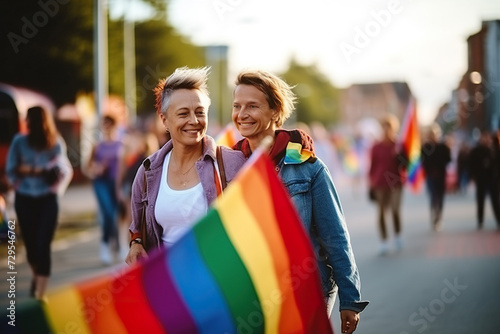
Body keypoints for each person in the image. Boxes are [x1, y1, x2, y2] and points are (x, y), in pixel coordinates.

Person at [231, 70, 368, 334]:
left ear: (274, 111)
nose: (242, 113)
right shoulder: (229, 166)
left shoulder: (309, 168)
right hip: (252, 295)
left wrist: (349, 299)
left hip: (304, 290)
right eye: (237, 106)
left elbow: (335, 238)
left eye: (252, 106)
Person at [125, 67, 246, 264]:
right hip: (168, 286)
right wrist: (136, 243)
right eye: (183, 114)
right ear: (165, 120)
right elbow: (136, 227)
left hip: (218, 283)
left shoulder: (232, 163)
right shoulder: (148, 172)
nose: (194, 121)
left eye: (200, 112)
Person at [6, 106, 73, 299]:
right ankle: (37, 278)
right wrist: (26, 178)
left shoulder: (55, 143)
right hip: (25, 198)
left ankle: (40, 295)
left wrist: (52, 188)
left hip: (47, 200)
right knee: (31, 248)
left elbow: (63, 169)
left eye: (31, 119)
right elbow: (11, 170)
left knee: (43, 246)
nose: (28, 123)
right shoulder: (19, 142)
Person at [86, 115, 124, 265]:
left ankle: (117, 246)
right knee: (108, 213)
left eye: (108, 124)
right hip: (100, 183)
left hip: (116, 182)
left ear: (114, 125)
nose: (105, 127)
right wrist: (96, 169)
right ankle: (105, 245)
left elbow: (123, 167)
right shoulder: (97, 146)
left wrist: (121, 186)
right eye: (103, 125)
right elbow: (88, 167)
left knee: (115, 216)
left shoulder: (121, 144)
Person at [368, 114, 407, 255]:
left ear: (393, 129)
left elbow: (406, 165)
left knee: (395, 210)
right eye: (384, 128)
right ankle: (384, 241)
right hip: (379, 183)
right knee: (381, 213)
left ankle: (398, 235)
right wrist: (370, 184)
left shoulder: (399, 145)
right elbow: (372, 166)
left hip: (395, 183)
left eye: (389, 128)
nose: (386, 131)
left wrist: (399, 155)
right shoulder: (376, 147)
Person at [420, 123, 451, 231]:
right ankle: (434, 217)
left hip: (441, 176)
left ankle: (439, 217)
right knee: (433, 197)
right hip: (430, 176)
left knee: (440, 197)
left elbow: (448, 160)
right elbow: (422, 161)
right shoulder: (425, 147)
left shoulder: (443, 147)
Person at [468, 130, 500, 229]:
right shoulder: (476, 150)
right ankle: (480, 220)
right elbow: (471, 164)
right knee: (480, 200)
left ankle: (498, 220)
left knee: (495, 200)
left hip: (492, 179)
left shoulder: (494, 150)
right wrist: (474, 176)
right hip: (481, 179)